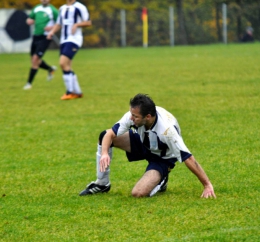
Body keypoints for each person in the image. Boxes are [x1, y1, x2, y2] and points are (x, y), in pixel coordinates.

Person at [79, 93, 216, 198]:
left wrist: (207, 184)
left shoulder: (167, 131)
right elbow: (109, 134)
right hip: (143, 141)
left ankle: (162, 180)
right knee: (104, 136)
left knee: (138, 193)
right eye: (131, 114)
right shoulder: (134, 115)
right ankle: (102, 183)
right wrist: (104, 153)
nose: (131, 118)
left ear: (148, 116)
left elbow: (188, 158)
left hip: (162, 158)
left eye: (135, 116)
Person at [47, 0, 91, 100]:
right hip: (64, 40)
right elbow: (59, 23)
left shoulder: (80, 7)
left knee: (62, 63)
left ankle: (69, 92)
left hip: (74, 40)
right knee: (67, 66)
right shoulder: (62, 8)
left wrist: (76, 25)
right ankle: (78, 92)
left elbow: (88, 22)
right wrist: (52, 32)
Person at [23, 0, 58, 90]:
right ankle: (50, 69)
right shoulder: (36, 8)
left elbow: (60, 23)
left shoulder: (53, 10)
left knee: (35, 59)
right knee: (34, 60)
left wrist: (51, 28)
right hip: (36, 36)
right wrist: (29, 21)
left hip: (46, 37)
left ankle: (29, 83)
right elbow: (30, 18)